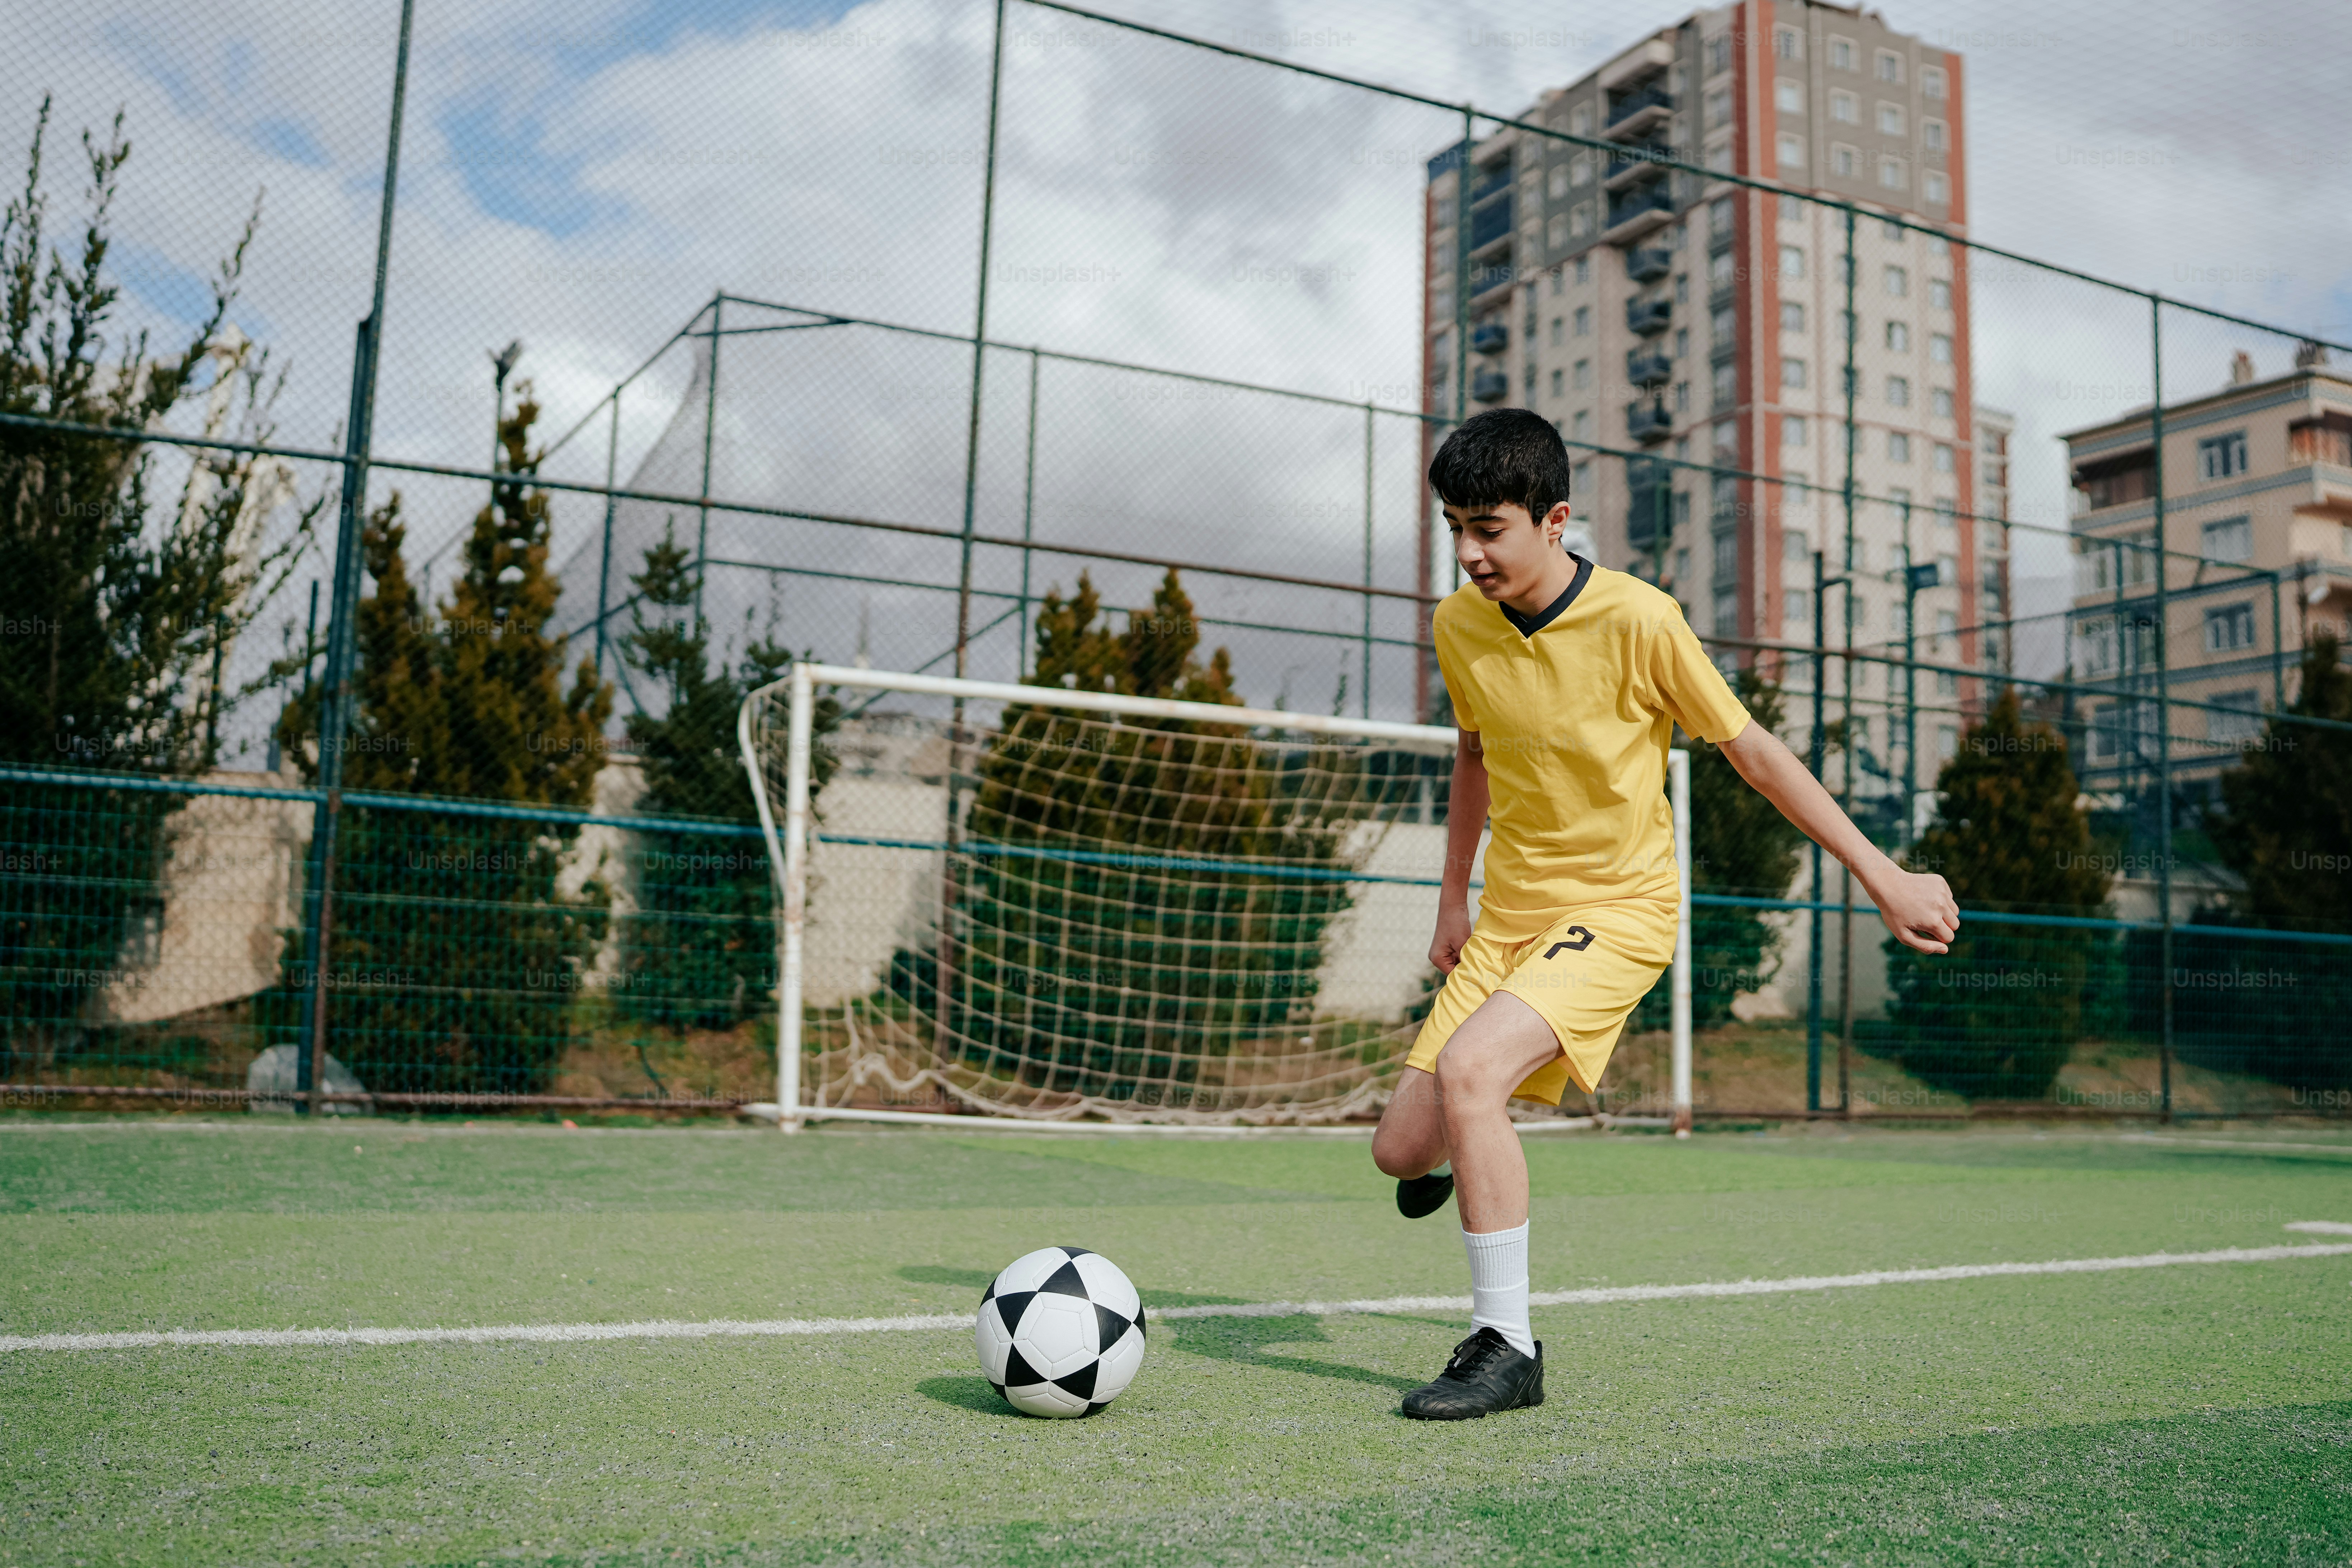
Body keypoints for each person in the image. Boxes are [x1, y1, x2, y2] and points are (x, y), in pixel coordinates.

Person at [1373, 408, 1958, 1421]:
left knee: (1473, 1076)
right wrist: (1450, 893)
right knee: (1397, 1150)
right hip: (1510, 915)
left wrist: (1881, 872)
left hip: (1618, 908)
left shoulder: (1641, 618)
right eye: (1453, 527)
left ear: (1554, 519)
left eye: (1489, 527)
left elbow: (1754, 754)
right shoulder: (1456, 623)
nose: (1468, 552)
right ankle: (1463, 1153)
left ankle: (1506, 1347)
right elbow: (1472, 754)